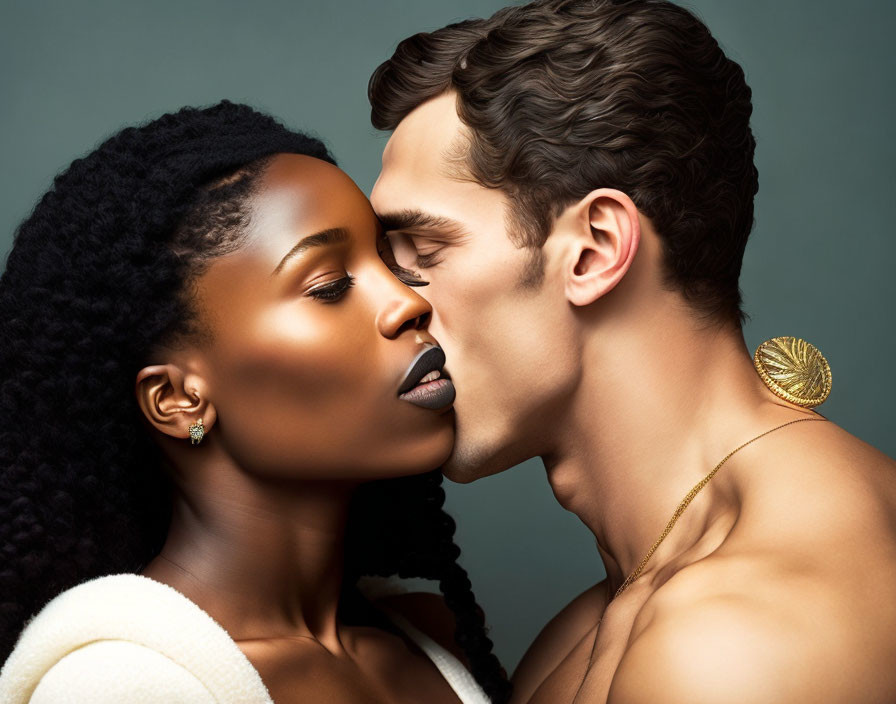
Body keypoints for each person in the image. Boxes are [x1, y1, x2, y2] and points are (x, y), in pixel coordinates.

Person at [367, 1, 896, 702]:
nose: (395, 304)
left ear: (595, 250)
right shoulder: (616, 609)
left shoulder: (734, 647)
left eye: (422, 254)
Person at [0, 101, 511, 704]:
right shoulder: (121, 685)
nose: (407, 302)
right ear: (178, 400)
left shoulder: (430, 638)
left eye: (391, 262)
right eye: (329, 286)